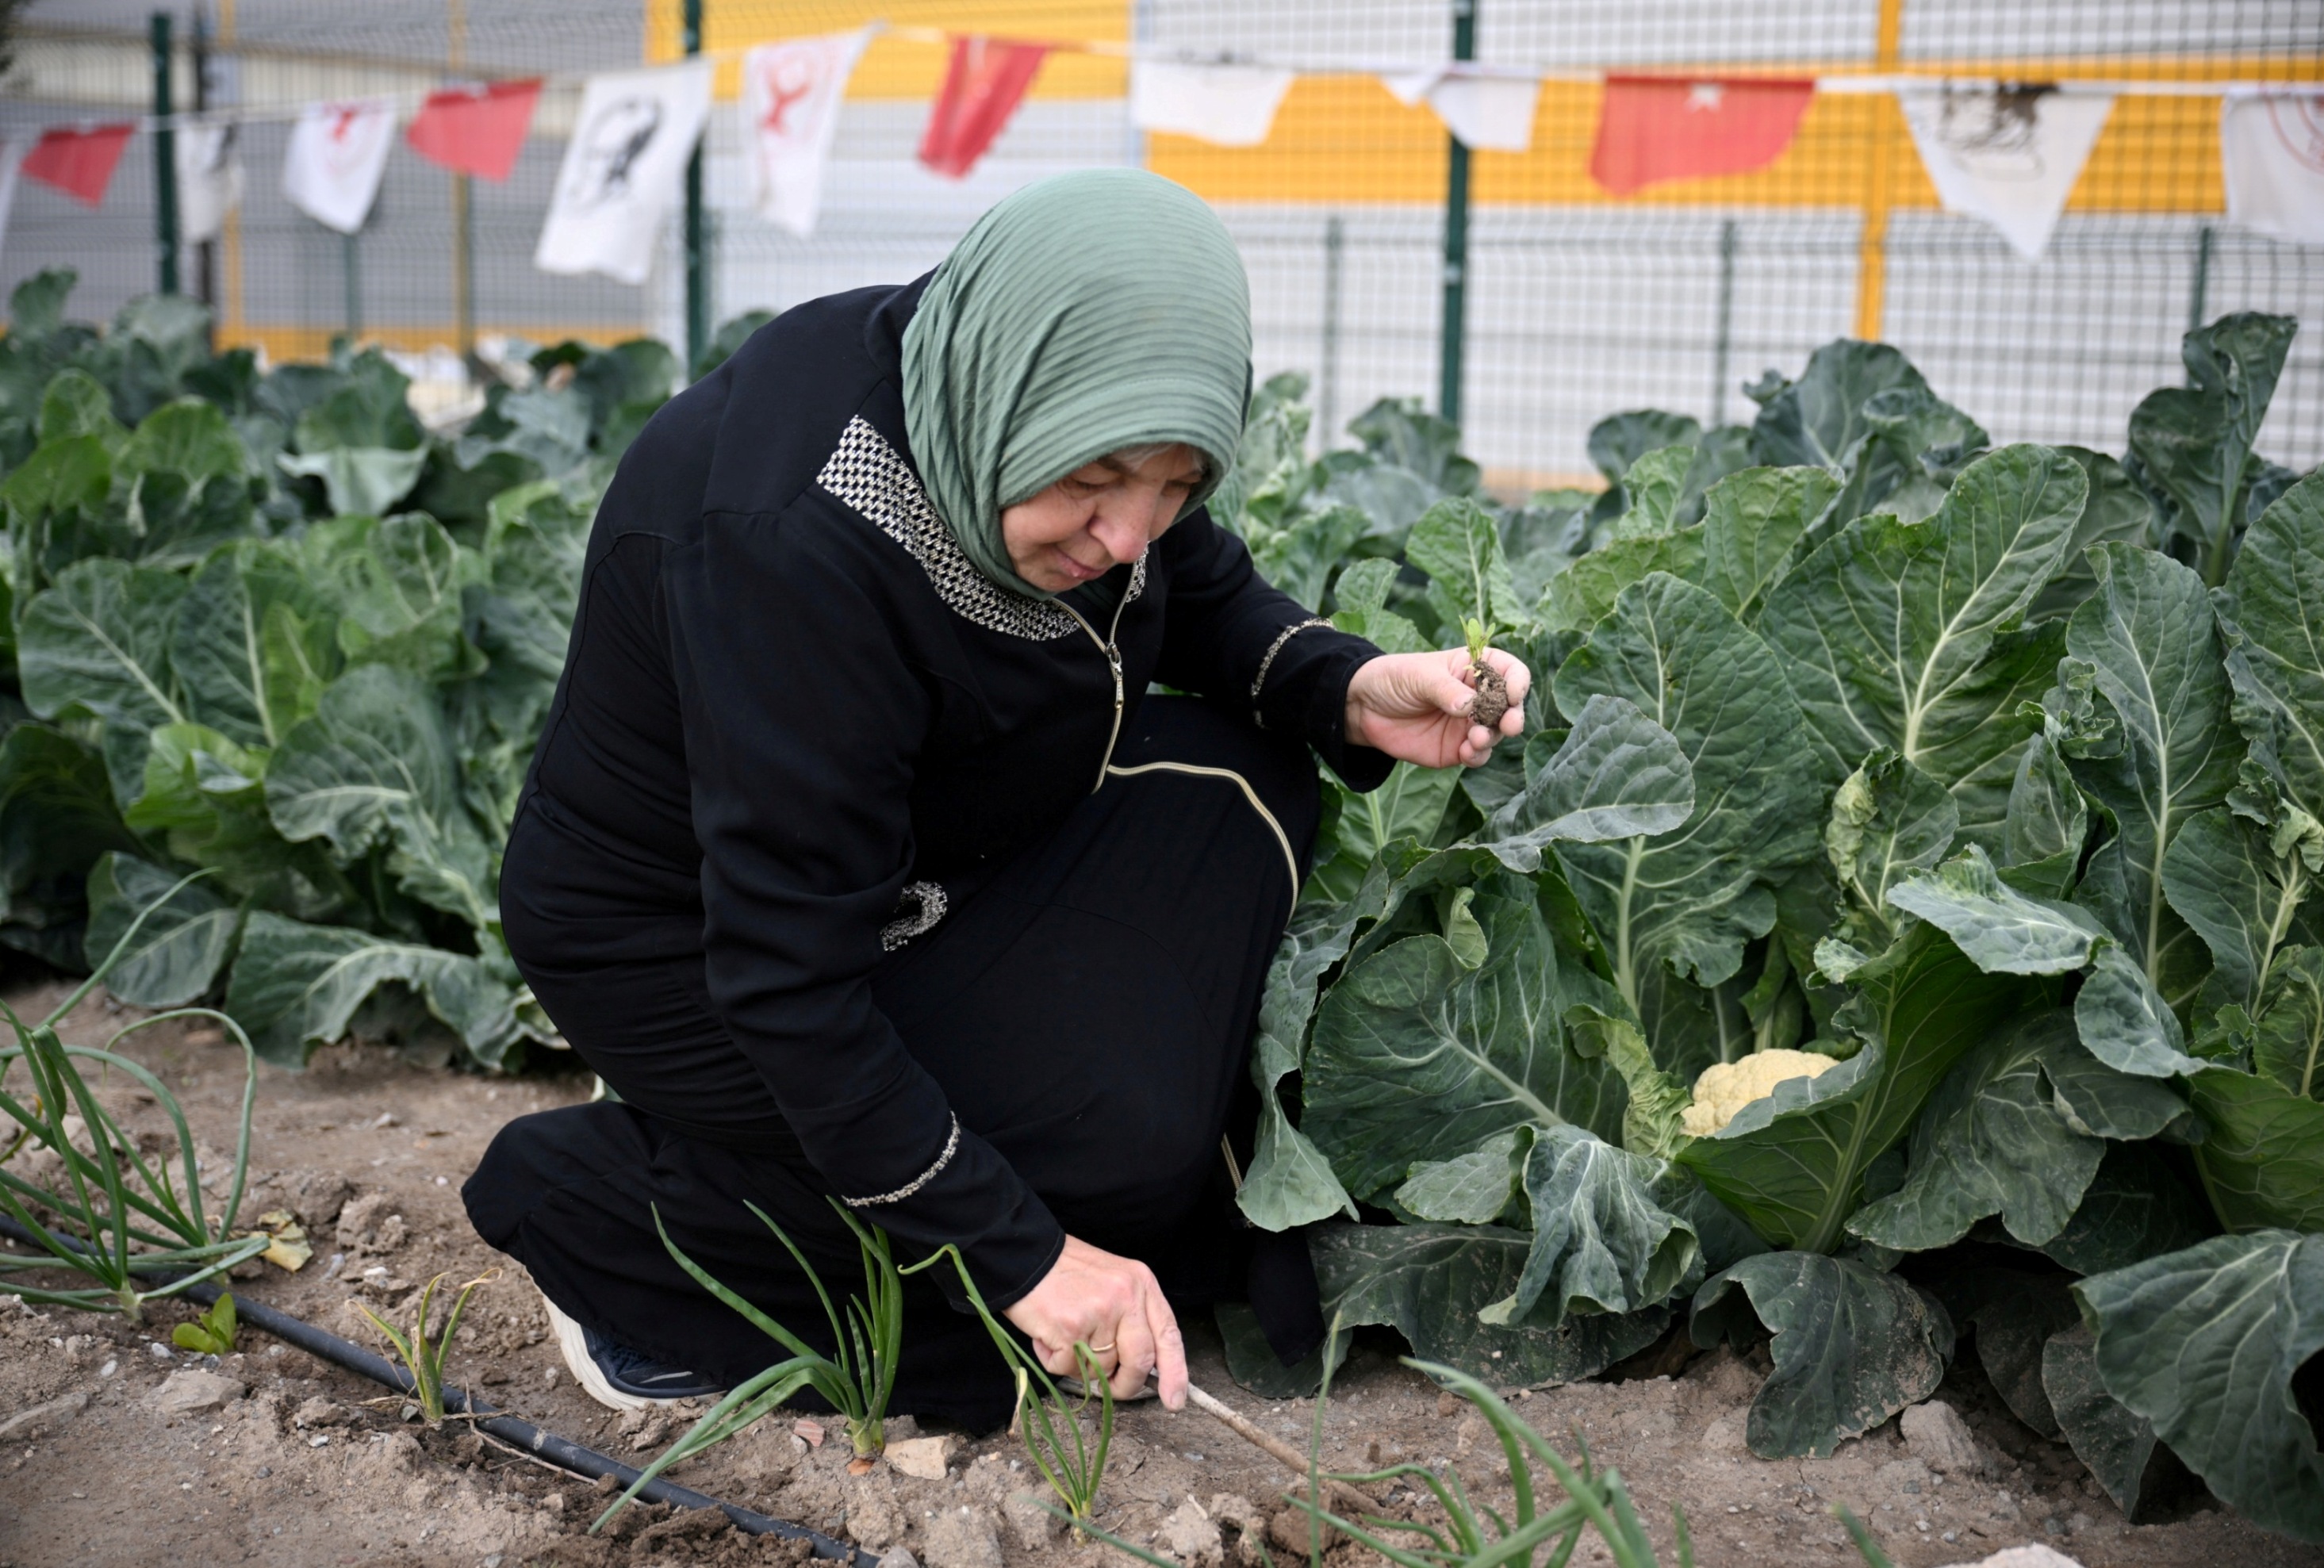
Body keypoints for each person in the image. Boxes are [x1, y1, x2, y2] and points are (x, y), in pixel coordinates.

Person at [464, 168, 1528, 1428]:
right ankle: (623, 1219)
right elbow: (790, 981)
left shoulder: (995, 375)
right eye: (1101, 481)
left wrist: (1345, 683)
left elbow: (1193, 580)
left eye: (1176, 484)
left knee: (1245, 786)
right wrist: (1026, 1257)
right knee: (1109, 1183)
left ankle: (872, 1156)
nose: (1131, 533)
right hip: (699, 955)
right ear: (1022, 398)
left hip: (922, 863)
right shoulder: (791, 547)